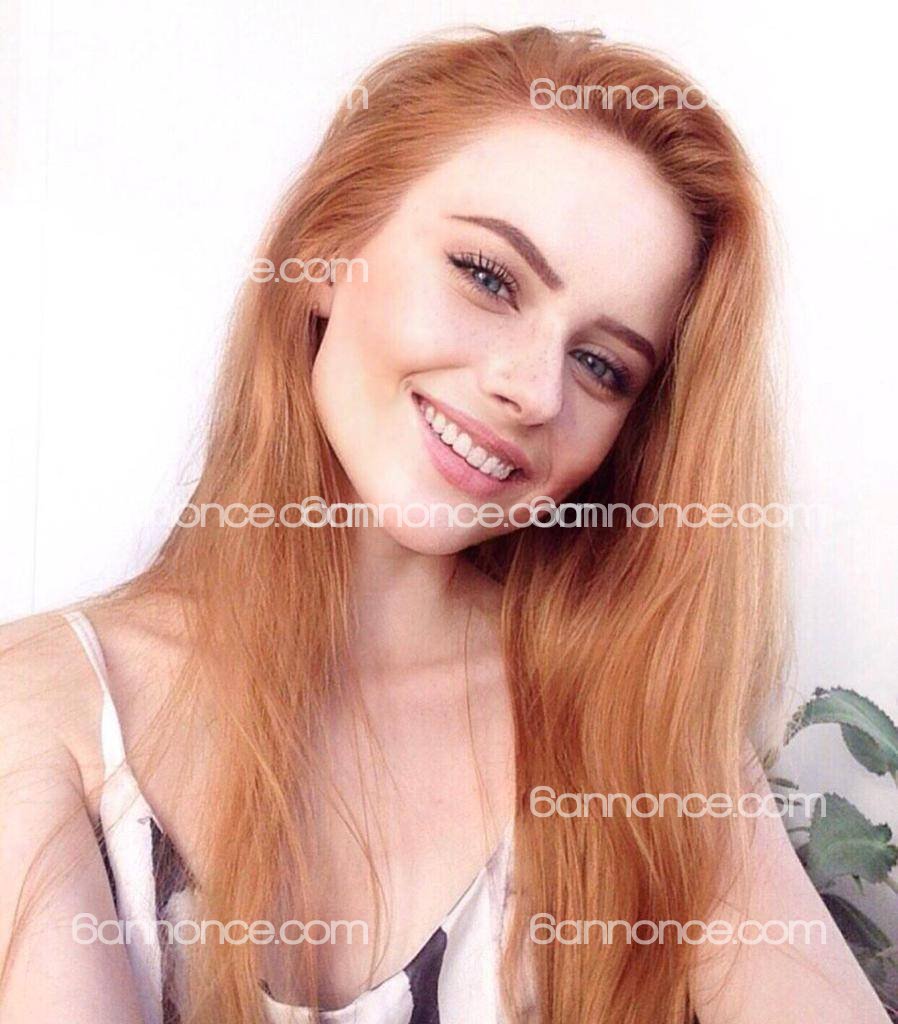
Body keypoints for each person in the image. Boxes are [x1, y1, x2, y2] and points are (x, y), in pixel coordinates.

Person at [0, 24, 889, 1024]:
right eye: (489, 276)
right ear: (327, 250)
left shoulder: (640, 740)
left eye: (602, 365)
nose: (533, 389)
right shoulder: (43, 705)